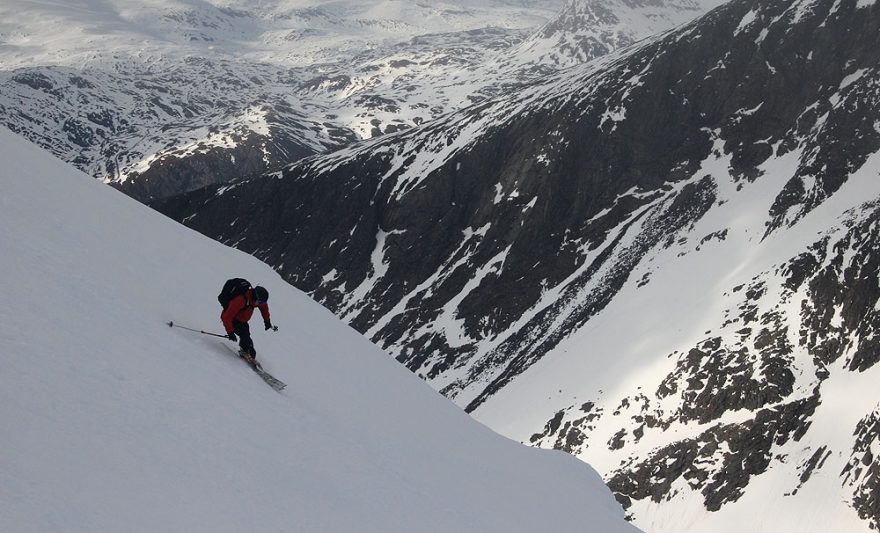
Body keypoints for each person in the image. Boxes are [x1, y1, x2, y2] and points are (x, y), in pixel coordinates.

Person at [221, 285, 272, 364]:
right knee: (245, 337)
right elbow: (227, 317)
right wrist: (230, 332)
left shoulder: (257, 300)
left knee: (247, 339)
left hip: (242, 320)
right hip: (232, 320)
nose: (261, 304)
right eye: (260, 302)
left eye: (262, 302)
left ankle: (246, 351)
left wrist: (267, 321)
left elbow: (264, 308)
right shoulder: (241, 300)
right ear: (255, 297)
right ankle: (245, 351)